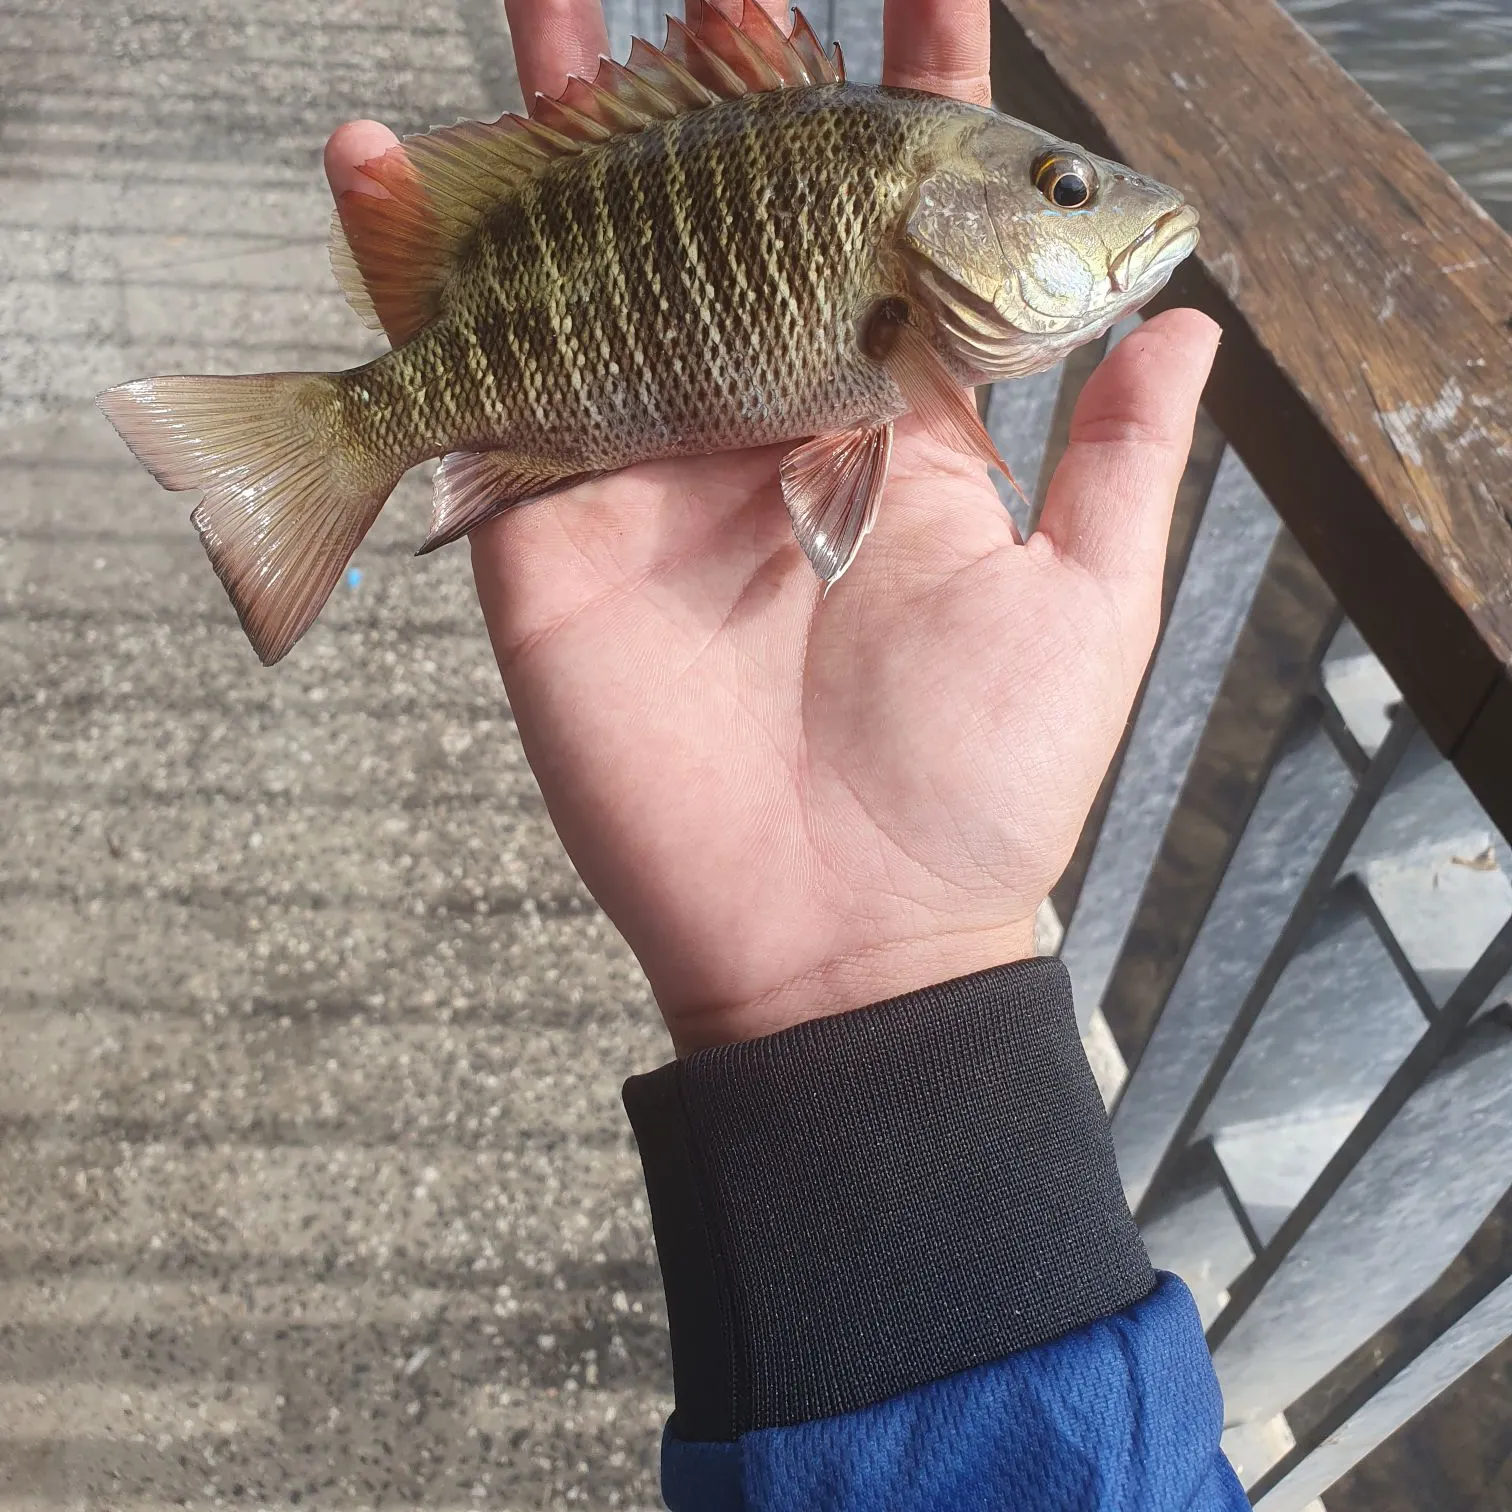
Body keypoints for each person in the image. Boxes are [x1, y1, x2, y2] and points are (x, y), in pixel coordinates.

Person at [326, 0, 1243, 1504]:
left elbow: (851, 434)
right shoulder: (891, 290)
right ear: (942, 212)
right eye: (1061, 187)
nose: (1097, 205)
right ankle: (331, 443)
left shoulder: (899, 324)